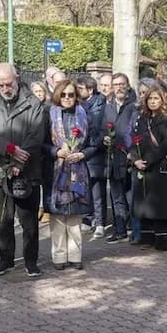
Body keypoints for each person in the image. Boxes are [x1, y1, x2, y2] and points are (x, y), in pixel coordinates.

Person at [0, 63, 47, 277]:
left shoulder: (33, 103)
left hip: (27, 170)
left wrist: (19, 162)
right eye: (1, 85)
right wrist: (9, 150)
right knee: (2, 220)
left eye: (8, 84)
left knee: (28, 221)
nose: (5, 88)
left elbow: (36, 134)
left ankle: (31, 260)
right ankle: (6, 259)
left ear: (17, 78)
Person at [47, 80, 92, 268]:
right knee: (57, 219)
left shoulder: (84, 115)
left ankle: (75, 256)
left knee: (74, 219)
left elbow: (94, 142)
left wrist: (82, 154)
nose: (67, 98)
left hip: (78, 171)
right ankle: (59, 257)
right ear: (58, 95)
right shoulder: (49, 115)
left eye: (71, 94)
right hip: (56, 172)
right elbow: (41, 142)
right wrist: (55, 152)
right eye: (63, 94)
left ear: (76, 96)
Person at [130, 85, 167, 250]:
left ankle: (162, 240)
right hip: (141, 166)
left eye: (156, 98)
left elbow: (166, 143)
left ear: (162, 100)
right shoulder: (142, 118)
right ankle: (146, 238)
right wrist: (135, 159)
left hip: (158, 167)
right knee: (144, 203)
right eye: (150, 98)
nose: (152, 101)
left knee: (160, 205)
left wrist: (149, 160)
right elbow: (133, 140)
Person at [97, 73, 137, 242]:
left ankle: (135, 231)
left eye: (122, 84)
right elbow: (100, 129)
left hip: (131, 157)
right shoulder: (108, 107)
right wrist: (104, 138)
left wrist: (133, 151)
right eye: (116, 84)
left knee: (132, 197)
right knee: (117, 197)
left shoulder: (135, 106)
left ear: (127, 85)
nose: (119, 87)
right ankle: (120, 230)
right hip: (113, 159)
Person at [76, 75, 106, 236]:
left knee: (96, 189)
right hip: (83, 151)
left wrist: (92, 145)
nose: (78, 91)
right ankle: (87, 218)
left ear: (90, 89)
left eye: (81, 88)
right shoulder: (80, 105)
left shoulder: (100, 105)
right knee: (84, 188)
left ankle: (100, 221)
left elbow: (100, 129)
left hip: (95, 152)